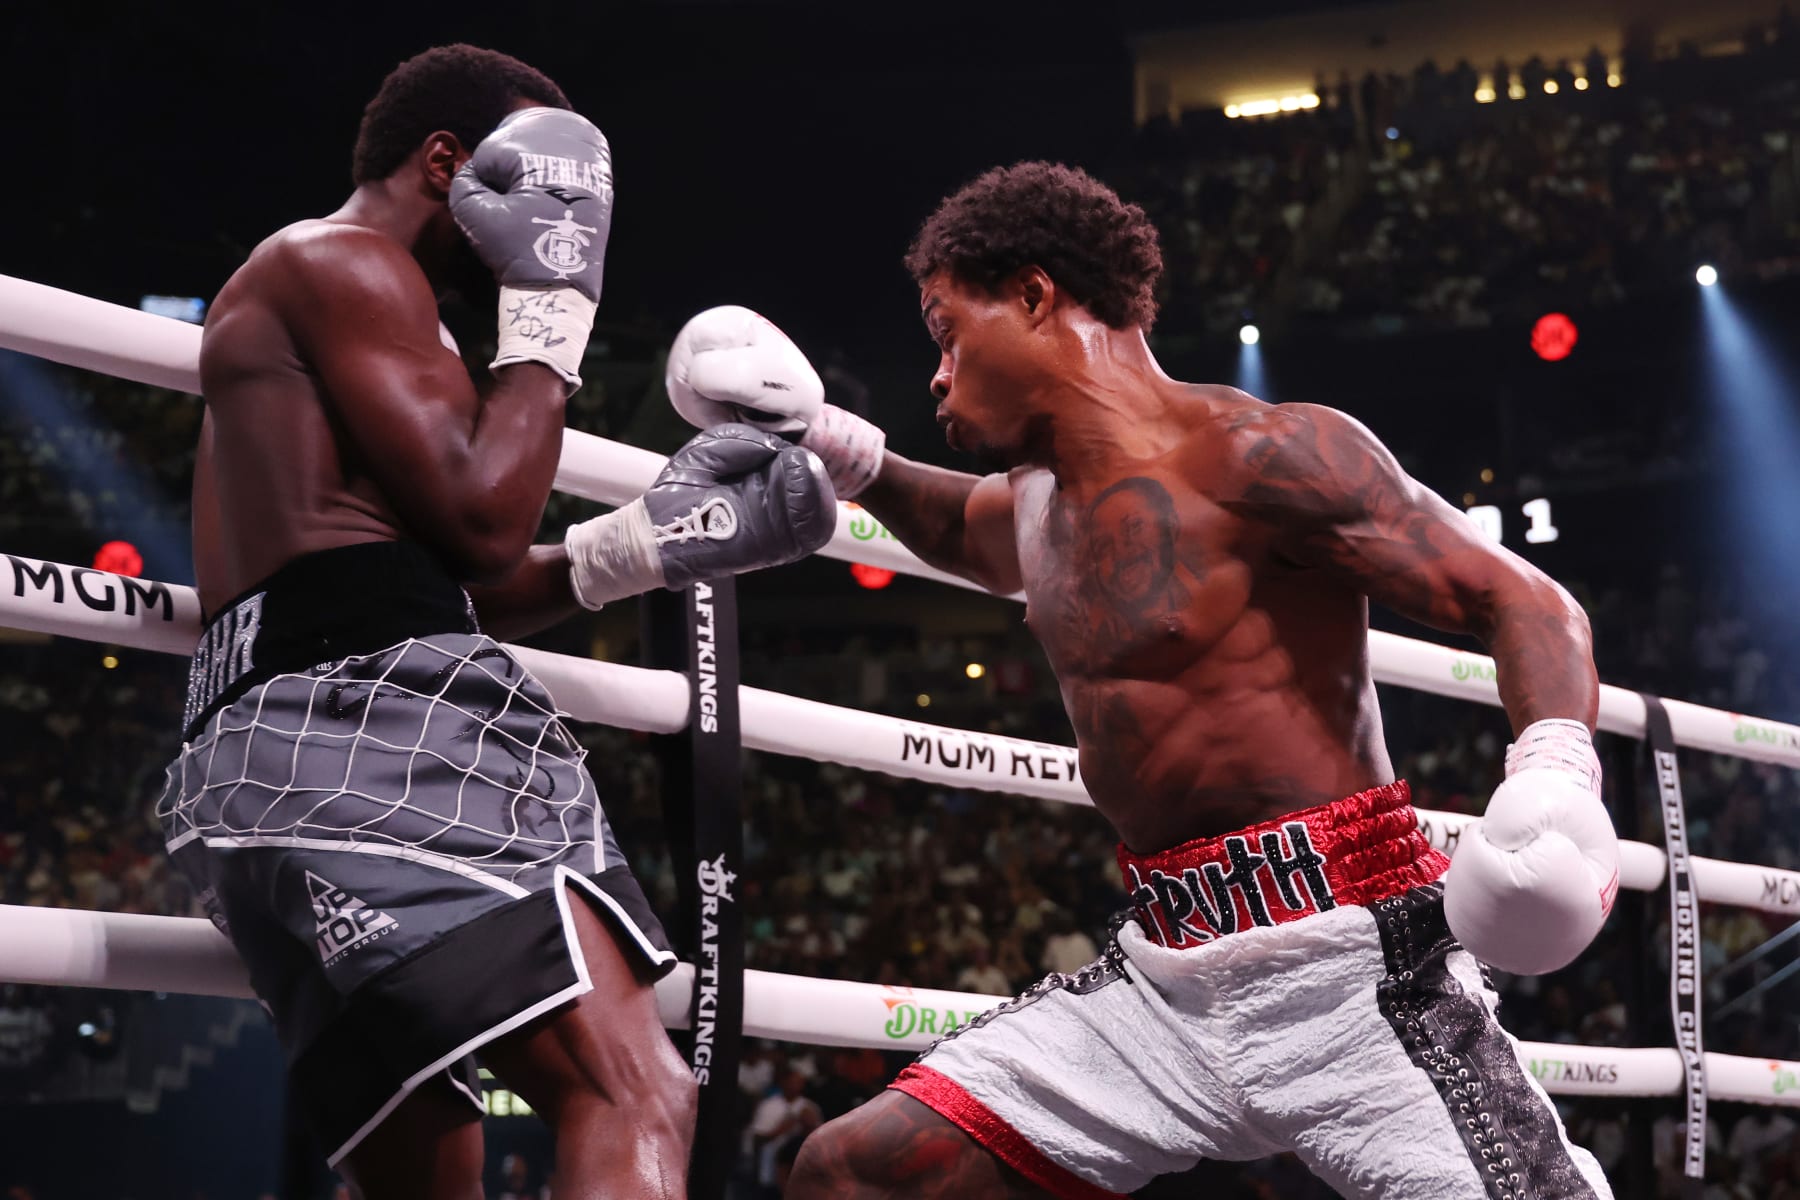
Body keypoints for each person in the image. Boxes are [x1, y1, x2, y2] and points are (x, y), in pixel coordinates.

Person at [665, 162, 1619, 1197]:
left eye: (946, 331)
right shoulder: (1033, 507)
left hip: (1358, 966)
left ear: (1035, 296)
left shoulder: (1264, 454)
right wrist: (832, 447)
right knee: (853, 1173)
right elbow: (950, 523)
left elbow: (1524, 601)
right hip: (1164, 977)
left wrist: (1557, 776)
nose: (934, 373)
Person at [156, 45, 834, 1199]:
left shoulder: (338, 294)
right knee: (633, 1088)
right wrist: (555, 310)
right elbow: (480, 522)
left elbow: (418, 571)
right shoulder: (344, 263)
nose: (564, 223)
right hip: (372, 723)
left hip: (262, 749)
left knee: (432, 1180)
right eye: (548, 194)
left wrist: (641, 544)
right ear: (448, 164)